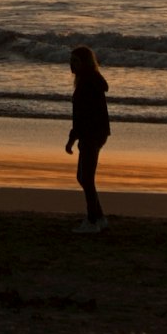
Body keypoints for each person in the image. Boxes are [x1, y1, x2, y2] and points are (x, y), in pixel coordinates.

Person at [65, 44, 110, 233]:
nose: (72, 65)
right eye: (71, 61)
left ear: (84, 62)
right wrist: (74, 137)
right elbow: (81, 116)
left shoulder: (88, 83)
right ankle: (98, 217)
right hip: (94, 133)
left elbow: (84, 116)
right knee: (83, 177)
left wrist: (75, 138)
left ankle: (92, 221)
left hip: (92, 134)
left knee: (86, 178)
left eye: (75, 61)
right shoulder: (89, 80)